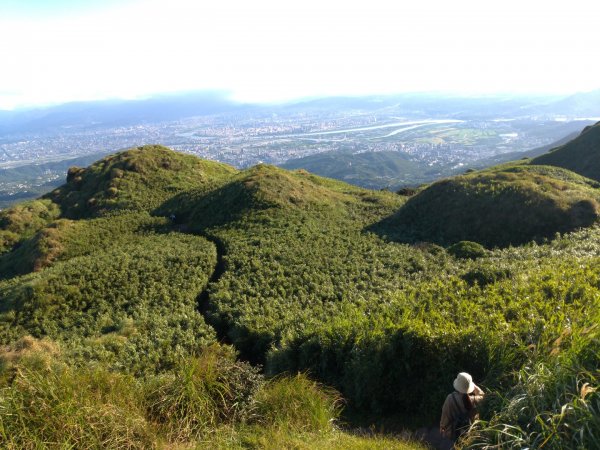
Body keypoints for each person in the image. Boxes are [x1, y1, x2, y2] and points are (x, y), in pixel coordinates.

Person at [439, 372, 485, 442]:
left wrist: (442, 426)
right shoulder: (476, 399)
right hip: (471, 433)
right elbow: (484, 396)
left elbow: (445, 414)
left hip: (454, 432)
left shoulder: (450, 398)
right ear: (470, 387)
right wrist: (474, 386)